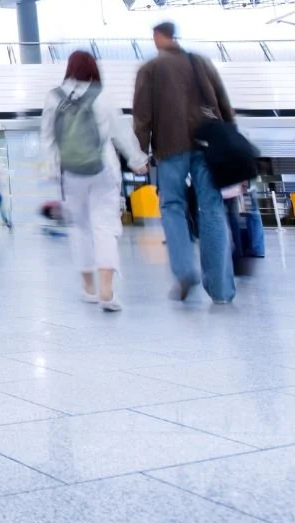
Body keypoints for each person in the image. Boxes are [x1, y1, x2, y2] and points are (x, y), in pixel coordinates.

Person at [132, 21, 237, 304]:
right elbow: (223, 103)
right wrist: (231, 138)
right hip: (207, 144)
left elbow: (142, 116)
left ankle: (184, 270)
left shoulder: (150, 69)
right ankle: (221, 290)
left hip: (170, 147)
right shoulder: (200, 62)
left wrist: (140, 153)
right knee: (213, 208)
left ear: (157, 36)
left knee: (172, 206)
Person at [42, 50, 147, 312]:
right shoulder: (103, 96)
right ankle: (107, 290)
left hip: (70, 173)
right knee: (105, 227)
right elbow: (122, 134)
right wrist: (137, 160)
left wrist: (54, 170)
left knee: (80, 228)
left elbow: (48, 140)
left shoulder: (54, 98)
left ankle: (88, 288)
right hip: (103, 170)